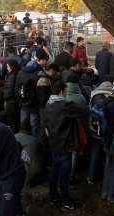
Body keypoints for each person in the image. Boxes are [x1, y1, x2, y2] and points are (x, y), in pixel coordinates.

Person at [44, 80, 88, 209]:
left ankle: (53, 195)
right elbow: (82, 111)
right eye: (66, 92)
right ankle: (66, 201)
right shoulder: (64, 105)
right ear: (61, 92)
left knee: (54, 170)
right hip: (65, 144)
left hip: (53, 143)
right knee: (64, 174)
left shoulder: (48, 104)